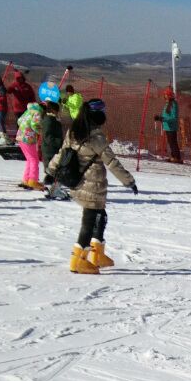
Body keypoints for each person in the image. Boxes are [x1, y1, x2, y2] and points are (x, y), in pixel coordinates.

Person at [46, 98, 138, 273]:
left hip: (79, 182)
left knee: (100, 217)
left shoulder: (73, 131)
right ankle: (78, 260)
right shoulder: (96, 137)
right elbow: (111, 162)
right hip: (92, 185)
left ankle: (97, 254)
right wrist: (129, 181)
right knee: (89, 221)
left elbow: (62, 153)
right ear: (97, 116)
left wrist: (50, 171)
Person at [16, 99, 44, 189]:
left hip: (20, 136)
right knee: (34, 160)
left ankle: (26, 179)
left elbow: (19, 120)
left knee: (30, 159)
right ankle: (33, 180)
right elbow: (34, 124)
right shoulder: (37, 112)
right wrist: (41, 131)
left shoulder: (28, 111)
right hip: (29, 138)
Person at [158, 88, 183, 163]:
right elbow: (166, 115)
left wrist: (163, 119)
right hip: (167, 126)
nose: (164, 96)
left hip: (171, 127)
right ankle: (173, 156)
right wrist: (160, 118)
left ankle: (177, 157)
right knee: (171, 142)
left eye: (165, 95)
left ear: (168, 96)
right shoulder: (168, 103)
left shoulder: (173, 104)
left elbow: (173, 117)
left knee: (173, 142)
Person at [41, 100, 64, 179]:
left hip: (52, 149)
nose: (58, 113)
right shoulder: (49, 120)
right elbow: (47, 137)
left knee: (53, 172)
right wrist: (60, 142)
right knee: (50, 172)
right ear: (53, 110)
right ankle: (50, 187)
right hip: (49, 150)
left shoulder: (52, 119)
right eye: (57, 111)